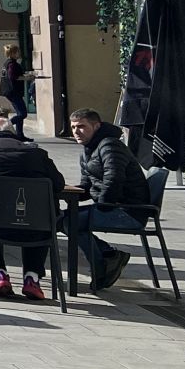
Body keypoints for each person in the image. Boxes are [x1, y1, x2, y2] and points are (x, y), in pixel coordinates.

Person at [0, 115, 65, 300]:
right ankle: (32, 278)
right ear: (13, 132)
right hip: (37, 226)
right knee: (40, 217)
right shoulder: (37, 154)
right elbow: (58, 185)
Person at [65, 108, 150, 291]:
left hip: (127, 211)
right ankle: (107, 256)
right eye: (73, 127)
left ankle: (104, 262)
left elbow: (114, 177)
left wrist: (104, 204)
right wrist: (66, 193)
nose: (76, 131)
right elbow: (87, 185)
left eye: (81, 126)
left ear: (96, 126)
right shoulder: (88, 150)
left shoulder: (110, 145)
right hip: (111, 206)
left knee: (67, 221)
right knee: (62, 220)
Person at [0, 44, 29, 130]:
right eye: (17, 52)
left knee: (19, 113)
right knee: (23, 114)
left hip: (10, 91)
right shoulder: (12, 64)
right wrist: (27, 78)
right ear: (12, 53)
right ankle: (4, 126)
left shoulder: (7, 63)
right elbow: (12, 77)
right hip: (13, 91)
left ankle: (20, 135)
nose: (19, 53)